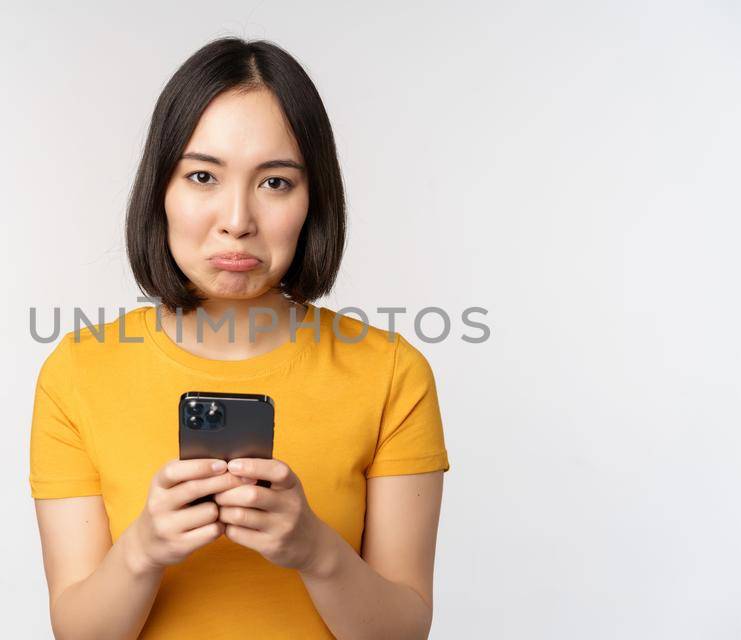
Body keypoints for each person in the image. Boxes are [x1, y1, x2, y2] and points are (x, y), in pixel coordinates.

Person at [29, 37, 449, 639]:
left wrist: (315, 550)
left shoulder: (391, 372)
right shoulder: (77, 371)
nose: (238, 219)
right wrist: (143, 550)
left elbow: (403, 632)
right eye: (203, 175)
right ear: (160, 192)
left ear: (314, 200)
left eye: (275, 182)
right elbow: (78, 633)